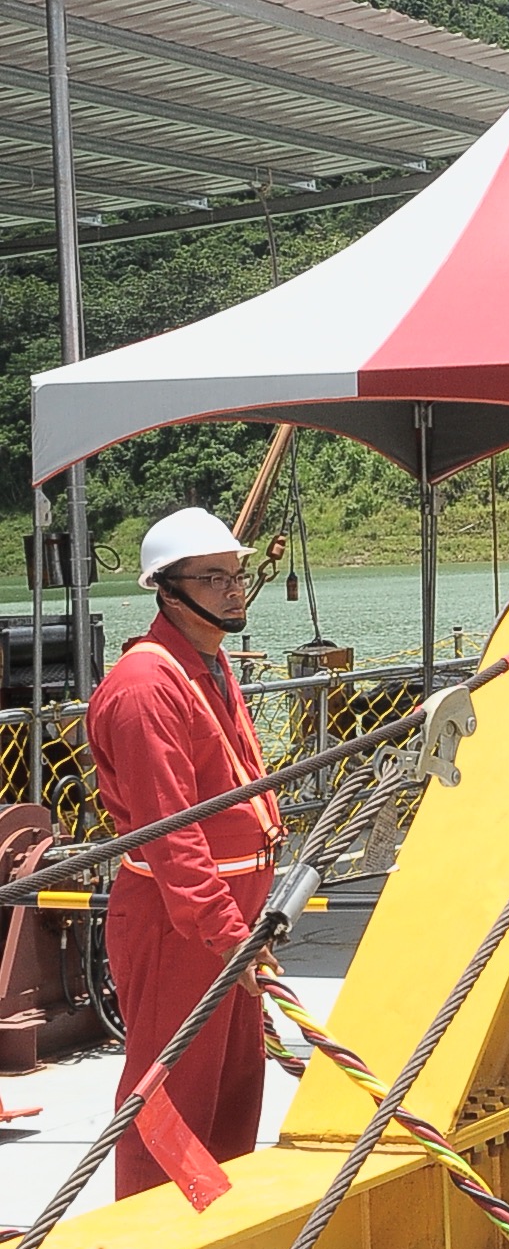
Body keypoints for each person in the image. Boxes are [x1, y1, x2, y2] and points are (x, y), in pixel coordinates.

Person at [85, 508, 280, 1199]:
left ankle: (215, 1235)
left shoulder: (209, 663)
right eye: (214, 577)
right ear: (167, 590)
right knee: (171, 1100)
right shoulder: (146, 687)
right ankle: (148, 1240)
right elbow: (174, 836)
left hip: (228, 918)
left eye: (238, 575)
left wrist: (246, 928)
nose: (235, 591)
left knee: (231, 1091)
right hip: (180, 924)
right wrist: (231, 937)